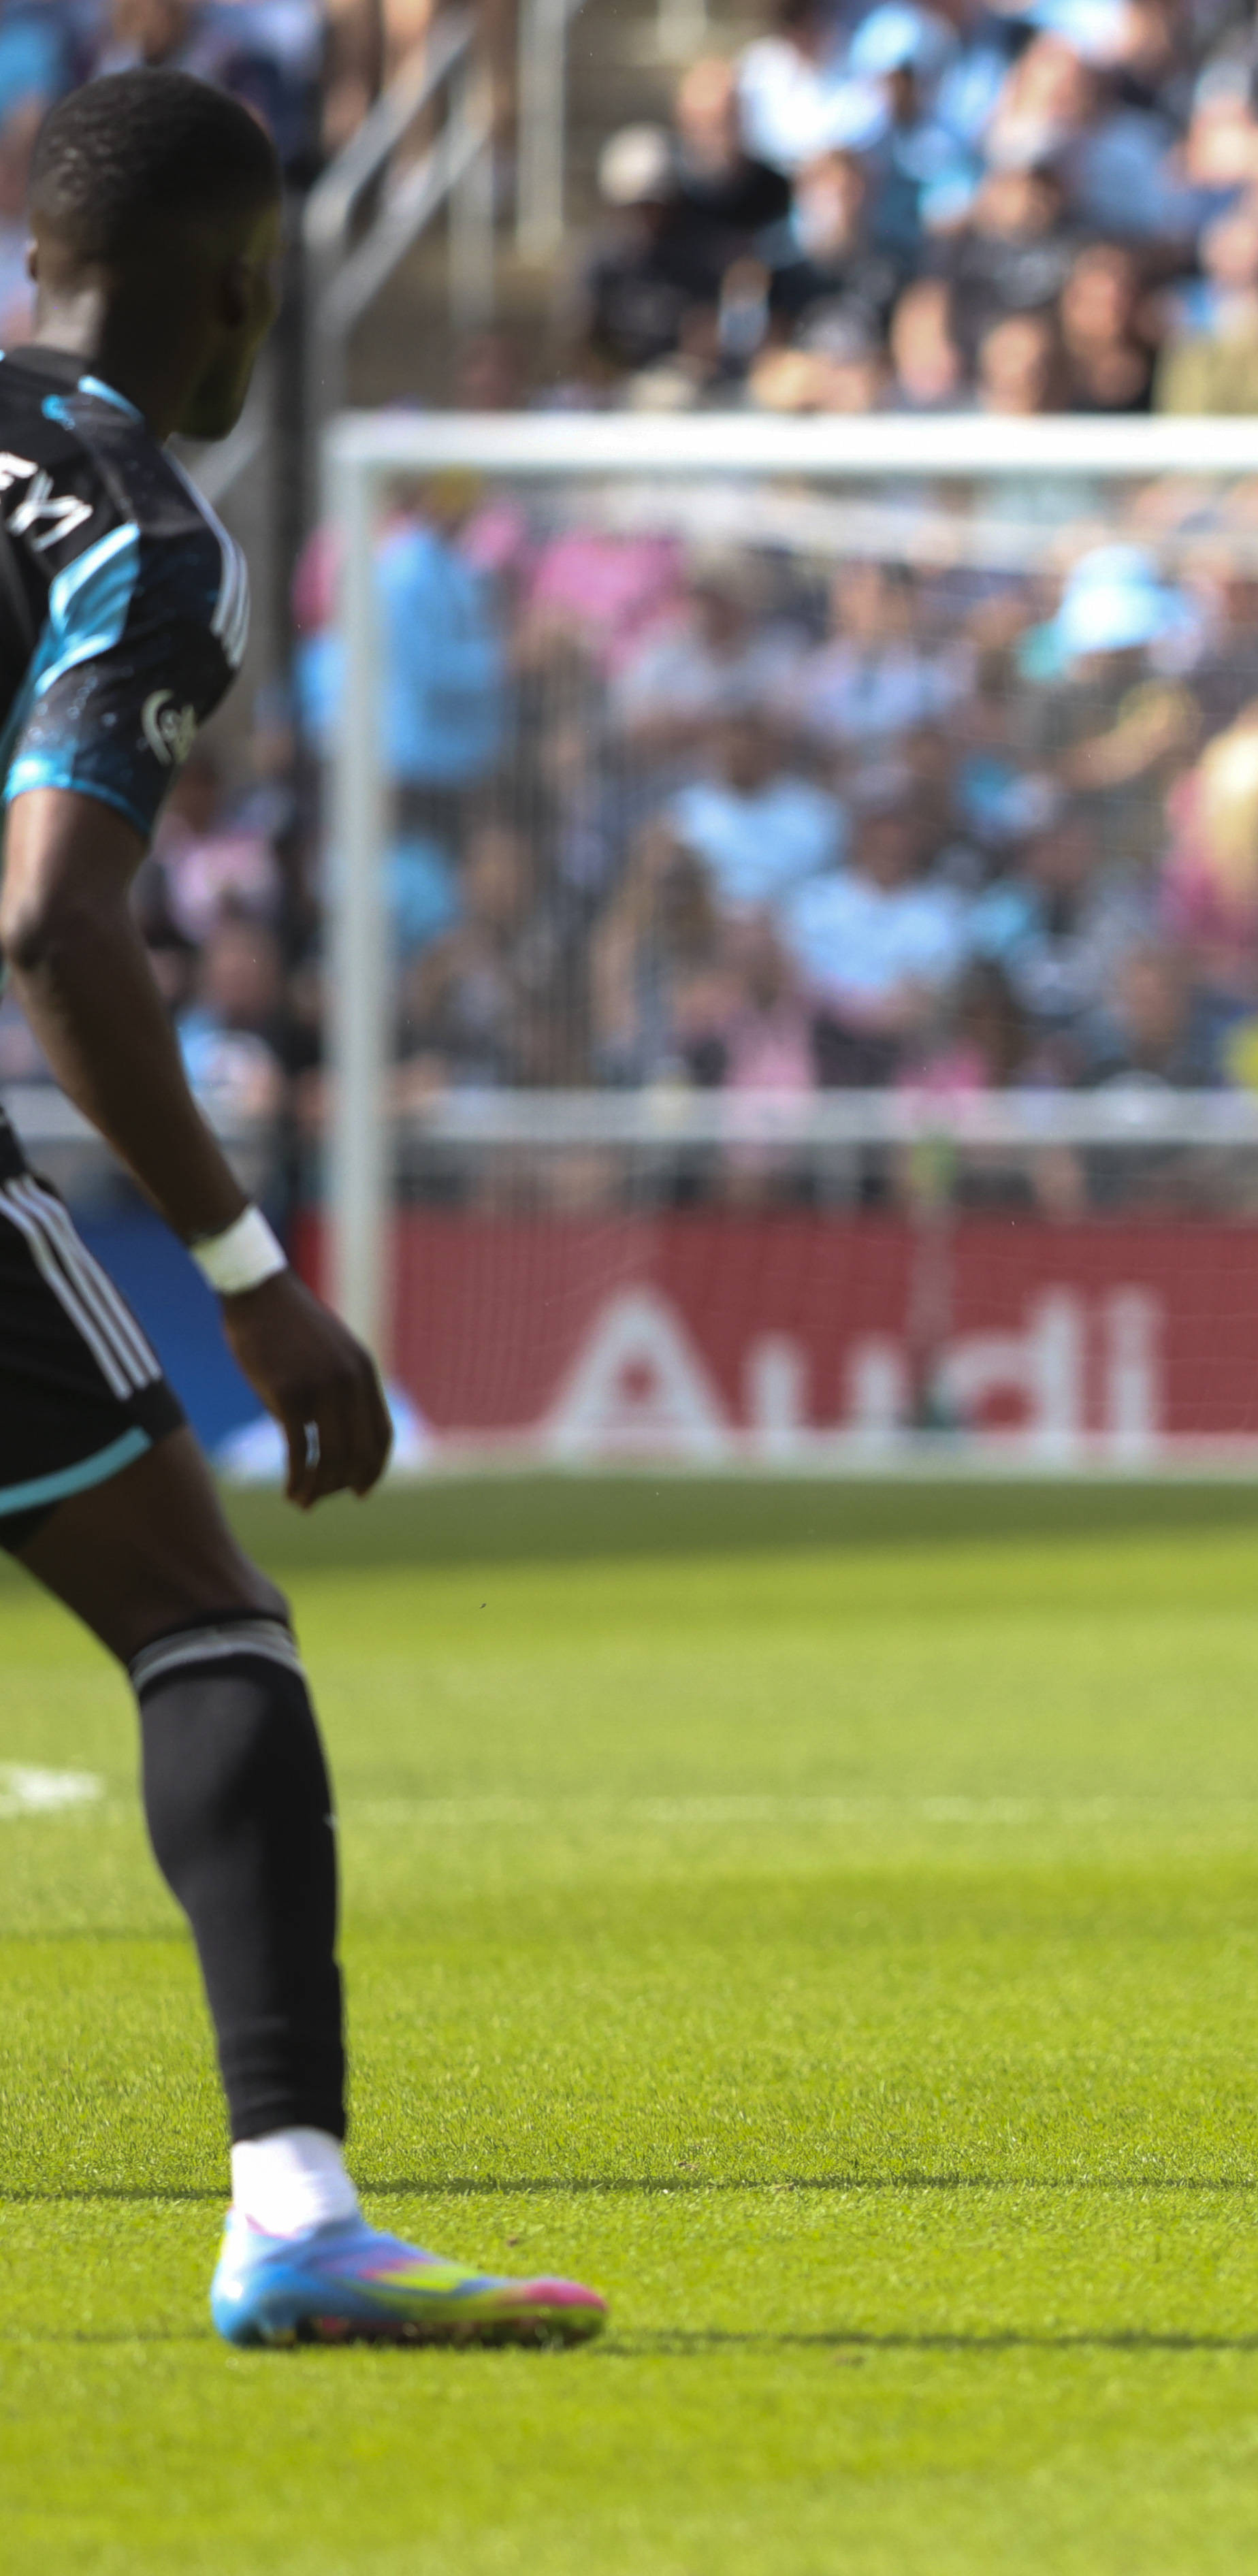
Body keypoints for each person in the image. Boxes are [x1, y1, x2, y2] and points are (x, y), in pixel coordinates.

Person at [0, 71, 604, 2347]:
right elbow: (55, 921)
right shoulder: (141, 529)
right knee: (202, 1620)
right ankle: (295, 2211)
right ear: (251, 294)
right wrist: (254, 1277)